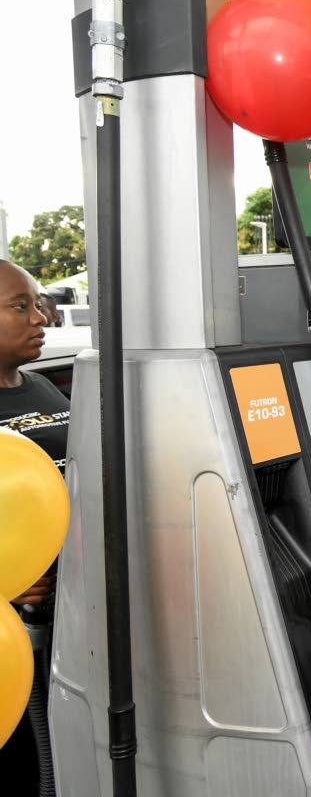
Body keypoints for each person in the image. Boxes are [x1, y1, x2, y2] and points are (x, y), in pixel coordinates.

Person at [0, 259, 71, 793]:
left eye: (38, 302)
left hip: (70, 623)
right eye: (19, 306)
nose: (39, 317)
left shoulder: (45, 388)